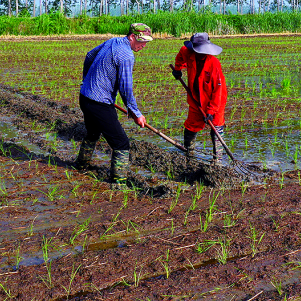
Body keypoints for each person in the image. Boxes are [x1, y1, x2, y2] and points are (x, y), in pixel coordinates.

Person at [75, 23, 153, 185]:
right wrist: (136, 112)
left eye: (146, 42)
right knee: (121, 143)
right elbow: (126, 87)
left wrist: (86, 80)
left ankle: (81, 166)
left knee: (93, 133)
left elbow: (89, 55)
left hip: (85, 97)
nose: (144, 45)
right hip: (99, 104)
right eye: (142, 42)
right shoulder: (126, 55)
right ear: (132, 37)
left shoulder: (113, 41)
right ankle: (119, 183)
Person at [172, 32, 228, 162]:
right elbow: (180, 56)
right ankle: (188, 154)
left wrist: (210, 111)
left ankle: (217, 159)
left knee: (216, 127)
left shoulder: (214, 64)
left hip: (215, 101)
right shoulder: (187, 52)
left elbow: (218, 90)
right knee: (191, 125)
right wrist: (178, 69)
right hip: (195, 97)